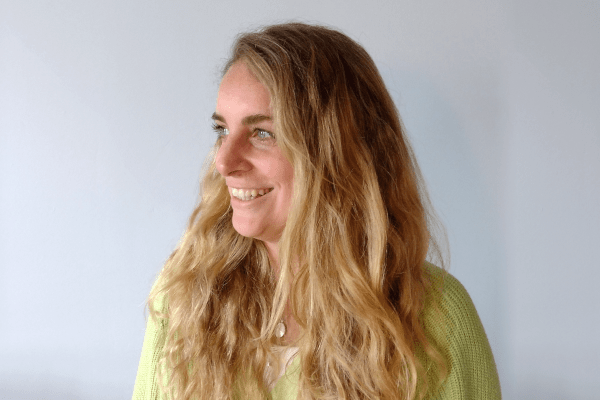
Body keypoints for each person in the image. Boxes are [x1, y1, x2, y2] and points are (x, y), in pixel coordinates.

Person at [132, 23, 501, 400]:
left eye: (262, 133)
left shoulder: (437, 319)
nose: (224, 162)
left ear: (336, 154)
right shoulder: (184, 300)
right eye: (221, 131)